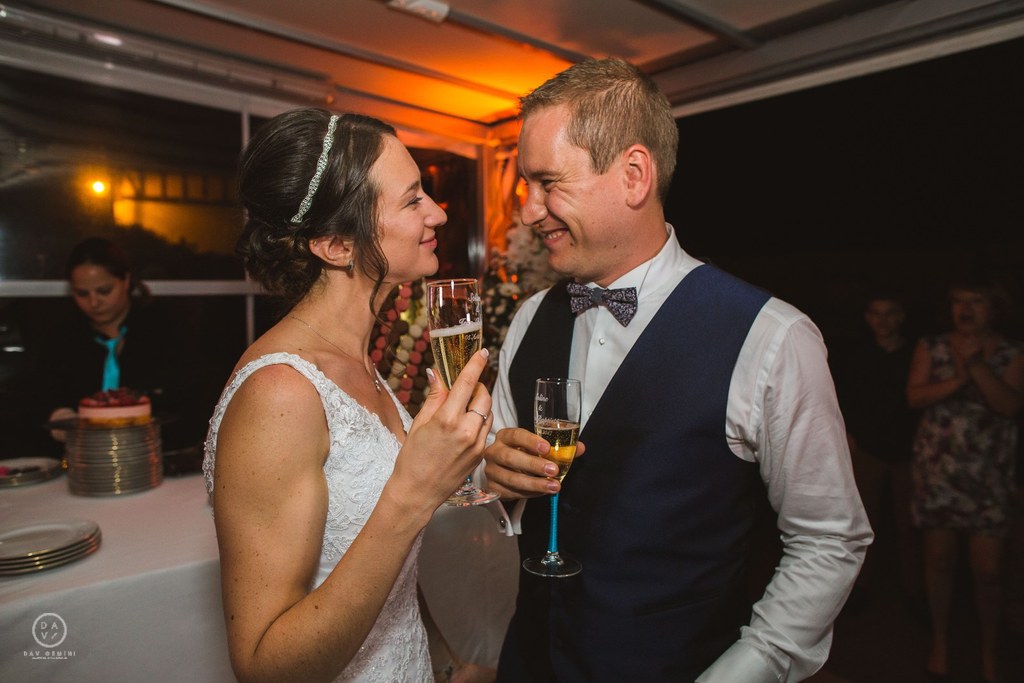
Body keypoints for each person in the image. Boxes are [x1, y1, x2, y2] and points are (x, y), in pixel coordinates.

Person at [481, 58, 872, 682]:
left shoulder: (772, 338)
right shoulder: (531, 318)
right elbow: (498, 490)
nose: (529, 212)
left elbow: (829, 538)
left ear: (634, 175)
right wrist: (495, 475)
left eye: (548, 183)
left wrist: (746, 669)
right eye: (528, 186)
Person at [202, 108, 495, 682]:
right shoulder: (280, 392)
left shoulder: (360, 364)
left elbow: (380, 572)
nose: (437, 212)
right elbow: (263, 666)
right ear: (337, 245)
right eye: (412, 200)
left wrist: (445, 661)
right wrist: (414, 492)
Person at [907, 274, 1023, 683]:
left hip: (988, 475)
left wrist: (974, 365)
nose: (966, 309)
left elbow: (1009, 406)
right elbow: (914, 396)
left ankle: (990, 653)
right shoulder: (931, 345)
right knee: (939, 560)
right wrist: (958, 378)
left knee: (988, 571)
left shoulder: (1013, 352)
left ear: (995, 308)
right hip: (938, 471)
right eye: (959, 301)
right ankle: (940, 643)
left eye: (976, 301)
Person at [35, 236, 196, 450]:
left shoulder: (164, 330)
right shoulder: (63, 338)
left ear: (126, 281)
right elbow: (39, 395)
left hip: (158, 453)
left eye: (104, 291)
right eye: (82, 294)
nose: (94, 302)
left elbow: (190, 400)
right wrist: (58, 415)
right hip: (82, 459)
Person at [834, 293, 922, 610]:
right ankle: (859, 587)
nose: (883, 321)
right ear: (867, 317)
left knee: (910, 524)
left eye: (890, 313)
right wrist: (846, 435)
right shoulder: (855, 355)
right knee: (861, 521)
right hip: (867, 448)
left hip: (910, 450)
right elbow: (840, 397)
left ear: (901, 316)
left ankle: (915, 591)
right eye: (876, 313)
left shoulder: (918, 353)